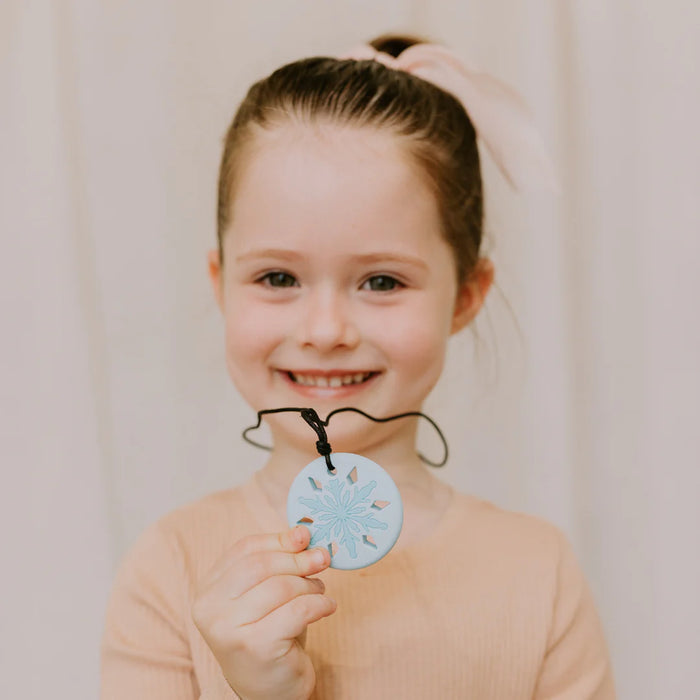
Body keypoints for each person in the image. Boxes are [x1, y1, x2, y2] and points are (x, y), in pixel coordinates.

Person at [100, 34, 615, 699]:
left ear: (465, 295)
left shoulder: (539, 573)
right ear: (219, 280)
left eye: (380, 282)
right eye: (278, 276)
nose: (324, 331)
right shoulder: (172, 568)